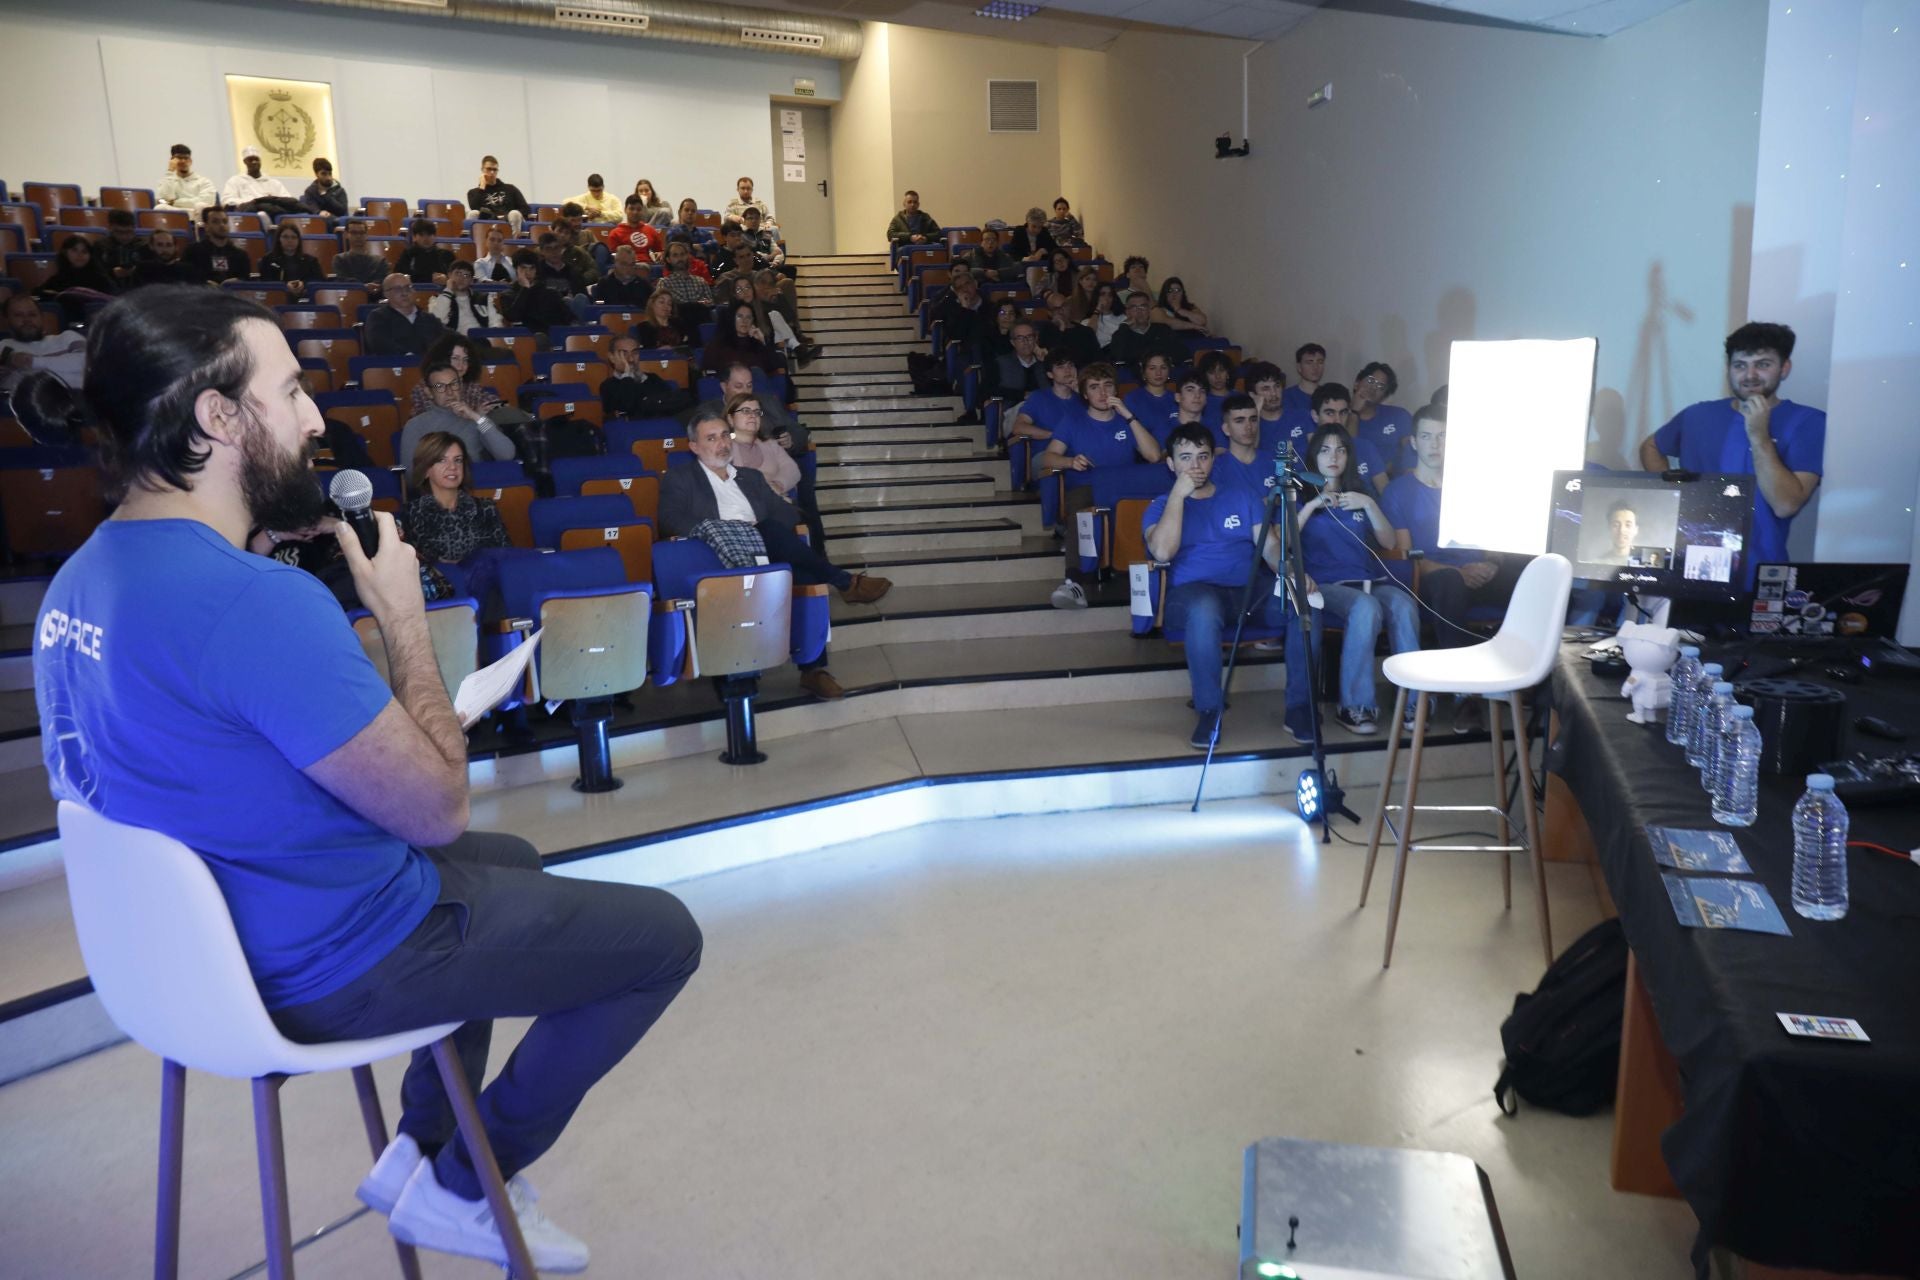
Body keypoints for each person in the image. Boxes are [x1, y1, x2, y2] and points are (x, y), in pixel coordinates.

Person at [21, 285, 699, 1273]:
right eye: (289, 391)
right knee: (661, 939)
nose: (313, 418)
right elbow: (434, 806)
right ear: (218, 418)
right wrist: (405, 623)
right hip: (319, 963)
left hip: (178, 960)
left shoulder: (82, 575)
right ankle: (469, 1175)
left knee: (507, 859)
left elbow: (179, 745)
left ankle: (420, 1148)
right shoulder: (259, 604)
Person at [659, 407, 891, 700]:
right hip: (716, 558)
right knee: (787, 552)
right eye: (712, 438)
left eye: (725, 435)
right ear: (694, 446)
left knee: (798, 568)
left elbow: (787, 514)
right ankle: (844, 584)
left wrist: (755, 529)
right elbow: (670, 519)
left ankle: (813, 671)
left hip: (764, 548)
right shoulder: (681, 478)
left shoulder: (751, 477)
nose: (723, 443)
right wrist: (723, 529)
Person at [1143, 423, 1291, 750]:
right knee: (1205, 606)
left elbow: (1268, 548)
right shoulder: (1159, 505)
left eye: (1203, 456)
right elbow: (1163, 552)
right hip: (1190, 597)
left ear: (1213, 460)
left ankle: (1299, 707)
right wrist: (1179, 497)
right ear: (1171, 464)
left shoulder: (1241, 495)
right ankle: (1209, 710)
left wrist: (1288, 573)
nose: (1195, 466)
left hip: (1246, 592)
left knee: (1299, 601)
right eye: (1185, 457)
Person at [1638, 321, 1823, 580]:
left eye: (1763, 364)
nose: (1750, 375)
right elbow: (1651, 446)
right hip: (1689, 569)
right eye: (1740, 365)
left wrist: (1759, 435)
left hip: (1759, 574)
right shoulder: (1698, 415)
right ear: (1729, 370)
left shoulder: (1808, 422)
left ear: (1784, 368)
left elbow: (1785, 505)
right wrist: (1673, 495)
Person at [1378, 402, 1516, 734]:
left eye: (1442, 436)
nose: (1435, 444)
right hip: (1431, 577)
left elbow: (1495, 539)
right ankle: (1465, 696)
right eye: (1426, 436)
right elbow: (1407, 554)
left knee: (1533, 574)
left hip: (1480, 569)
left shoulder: (1472, 485)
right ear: (1413, 443)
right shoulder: (1399, 491)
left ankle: (1531, 682)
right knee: (1450, 583)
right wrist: (1458, 572)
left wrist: (1493, 563)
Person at [1294, 423, 1421, 734]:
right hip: (1325, 586)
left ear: (1349, 455)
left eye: (1340, 449)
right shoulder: (1299, 494)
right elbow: (1282, 541)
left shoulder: (1361, 492)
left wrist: (1369, 504)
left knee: (1404, 603)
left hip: (1367, 580)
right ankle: (1354, 707)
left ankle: (1414, 703)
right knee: (1365, 607)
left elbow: (1390, 543)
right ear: (1314, 457)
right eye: (1325, 450)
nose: (1333, 456)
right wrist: (1312, 506)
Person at [1042, 362, 1161, 610]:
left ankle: (1152, 583)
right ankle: (1074, 582)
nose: (1103, 393)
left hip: (1124, 488)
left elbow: (1153, 455)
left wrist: (1128, 415)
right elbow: (1049, 457)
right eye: (1094, 387)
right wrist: (1070, 461)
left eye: (1108, 386)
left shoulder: (1127, 421)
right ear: (1085, 394)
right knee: (1079, 510)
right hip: (1088, 487)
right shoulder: (1072, 421)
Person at [404, 432, 512, 568]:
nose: (452, 467)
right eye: (442, 460)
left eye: (458, 460)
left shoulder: (486, 509)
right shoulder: (411, 513)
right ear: (426, 469)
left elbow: (505, 557)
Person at [400, 359, 518, 465]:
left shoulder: (476, 421)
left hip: (474, 486)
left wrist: (477, 417)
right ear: (429, 392)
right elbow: (411, 476)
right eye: (440, 386)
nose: (450, 392)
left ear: (461, 385)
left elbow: (507, 455)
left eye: (454, 384)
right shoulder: (415, 425)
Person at [1, 292, 86, 398]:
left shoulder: (68, 337)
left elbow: (85, 362)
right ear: (7, 320)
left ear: (41, 317)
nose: (27, 320)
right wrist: (67, 366)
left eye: (32, 314)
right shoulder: (3, 347)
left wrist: (31, 362)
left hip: (77, 402)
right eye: (18, 315)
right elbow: (23, 384)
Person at [724, 390, 800, 496]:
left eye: (757, 412)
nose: (753, 415)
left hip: (776, 501)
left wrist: (778, 485)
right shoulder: (723, 447)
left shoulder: (771, 444)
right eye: (746, 411)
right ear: (730, 419)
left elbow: (792, 469)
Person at [602, 333, 692, 419]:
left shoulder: (653, 379)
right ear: (612, 357)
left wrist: (645, 403)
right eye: (624, 354)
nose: (631, 359)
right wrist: (627, 375)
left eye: (635, 353)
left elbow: (674, 403)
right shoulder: (608, 386)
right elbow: (626, 406)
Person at [411, 334, 501, 419]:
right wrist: (472, 415)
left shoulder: (470, 385)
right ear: (442, 359)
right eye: (455, 358)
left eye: (465, 360)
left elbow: (500, 403)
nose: (461, 366)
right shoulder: (425, 387)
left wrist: (477, 413)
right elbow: (427, 420)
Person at [1210, 393, 1279, 502]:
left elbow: (1291, 504)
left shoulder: (1275, 461)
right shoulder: (1216, 469)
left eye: (1253, 420)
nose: (1248, 427)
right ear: (1226, 429)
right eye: (1239, 421)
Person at [1349, 362, 1412, 476]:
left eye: (1381, 387)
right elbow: (1349, 453)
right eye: (1370, 381)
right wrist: (1354, 412)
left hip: (1393, 482)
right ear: (1356, 383)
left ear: (1384, 396)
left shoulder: (1399, 416)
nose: (1373, 388)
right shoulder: (1338, 415)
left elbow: (1412, 451)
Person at [364, 274, 447, 357]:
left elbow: (449, 339)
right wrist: (409, 358)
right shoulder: (378, 317)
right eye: (397, 289)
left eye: (408, 288)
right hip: (394, 367)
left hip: (431, 367)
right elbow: (380, 344)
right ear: (386, 294)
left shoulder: (429, 319)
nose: (404, 293)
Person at [1009, 351, 1081, 445]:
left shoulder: (1084, 398)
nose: (1068, 370)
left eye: (1071, 365)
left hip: (1080, 452)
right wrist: (1056, 436)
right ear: (1050, 374)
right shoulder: (1038, 398)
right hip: (1045, 451)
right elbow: (1019, 427)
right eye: (1060, 367)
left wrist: (1082, 392)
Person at [500, 251, 573, 338]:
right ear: (516, 269)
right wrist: (525, 289)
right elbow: (513, 317)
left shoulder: (550, 293)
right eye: (523, 268)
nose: (528, 272)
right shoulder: (508, 295)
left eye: (531, 268)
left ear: (536, 270)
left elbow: (568, 318)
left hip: (551, 338)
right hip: (524, 340)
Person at [1107, 290, 1183, 371]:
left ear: (1149, 310)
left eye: (1143, 306)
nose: (1139, 311)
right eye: (1134, 307)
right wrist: (1124, 326)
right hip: (1133, 378)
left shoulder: (1163, 329)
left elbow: (1180, 354)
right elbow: (1118, 358)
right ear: (1127, 312)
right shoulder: (1121, 334)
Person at [221, 146, 306, 217]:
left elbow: (287, 199)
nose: (254, 162)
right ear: (245, 162)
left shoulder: (273, 183)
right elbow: (227, 201)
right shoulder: (235, 181)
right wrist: (251, 202)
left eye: (256, 159)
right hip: (248, 216)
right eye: (250, 160)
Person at [426, 261, 501, 336]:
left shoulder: (483, 298)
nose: (461, 278)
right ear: (449, 275)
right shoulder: (437, 299)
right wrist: (448, 291)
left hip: (481, 341)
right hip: (454, 342)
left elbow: (495, 322)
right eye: (458, 273)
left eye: (466, 275)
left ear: (471, 281)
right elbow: (437, 322)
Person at [701, 299, 776, 374]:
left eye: (748, 317)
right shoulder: (719, 344)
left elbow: (772, 368)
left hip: (758, 383)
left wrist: (762, 342)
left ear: (753, 321)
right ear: (731, 319)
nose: (744, 321)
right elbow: (708, 368)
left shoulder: (757, 343)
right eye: (739, 316)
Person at [183, 208, 254, 285]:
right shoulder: (193, 252)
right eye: (215, 222)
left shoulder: (241, 255)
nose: (222, 225)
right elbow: (186, 280)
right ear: (206, 226)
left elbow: (246, 282)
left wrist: (236, 282)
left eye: (225, 221)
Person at [657, 240, 716, 330]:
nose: (680, 258)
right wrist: (696, 305)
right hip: (677, 327)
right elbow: (665, 309)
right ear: (668, 259)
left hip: (700, 324)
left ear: (688, 256)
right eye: (675, 255)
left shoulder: (700, 281)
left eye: (682, 254)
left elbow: (710, 304)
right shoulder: (665, 283)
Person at [1123, 352, 1181, 444]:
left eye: (1163, 367)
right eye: (1152, 368)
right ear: (1144, 372)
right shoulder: (1132, 399)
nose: (1158, 373)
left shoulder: (1177, 398)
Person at [258, 223, 322, 301]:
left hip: (305, 298)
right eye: (285, 237)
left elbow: (319, 282)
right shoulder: (268, 259)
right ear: (279, 239)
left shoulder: (311, 261)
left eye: (294, 237)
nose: (290, 240)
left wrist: (304, 285)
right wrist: (284, 286)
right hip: (277, 299)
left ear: (299, 240)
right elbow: (266, 282)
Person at [467, 155, 529, 232]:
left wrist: (508, 215)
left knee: (515, 214)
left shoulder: (510, 189)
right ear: (482, 170)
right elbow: (474, 207)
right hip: (487, 222)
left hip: (508, 220)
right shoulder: (473, 192)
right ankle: (477, 242)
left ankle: (514, 242)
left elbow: (525, 209)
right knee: (473, 213)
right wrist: (482, 187)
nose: (492, 172)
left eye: (495, 169)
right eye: (489, 169)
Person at [94, 210, 151, 293]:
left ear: (134, 228)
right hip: (108, 291)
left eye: (128, 232)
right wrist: (112, 273)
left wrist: (136, 271)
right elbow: (96, 274)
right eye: (119, 232)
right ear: (110, 228)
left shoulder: (143, 246)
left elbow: (151, 273)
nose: (124, 237)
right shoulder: (101, 246)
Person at [1004, 208, 1058, 294]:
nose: (1037, 230)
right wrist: (1025, 259)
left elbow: (1055, 249)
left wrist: (1042, 251)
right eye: (1033, 226)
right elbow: (1013, 252)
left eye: (1039, 227)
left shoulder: (1044, 232)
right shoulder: (1019, 231)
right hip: (1023, 267)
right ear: (1027, 222)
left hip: (1041, 268)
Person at [990, 321, 1046, 401]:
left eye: (1029, 337)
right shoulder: (1000, 363)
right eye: (1020, 338)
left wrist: (1046, 362)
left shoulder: (1044, 362)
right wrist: (1022, 395)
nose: (1026, 342)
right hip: (1014, 409)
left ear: (1035, 339)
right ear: (1013, 342)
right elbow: (989, 391)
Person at [156, 143, 217, 217]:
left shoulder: (204, 182)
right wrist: (170, 171)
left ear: (190, 161)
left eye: (186, 158)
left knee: (201, 206)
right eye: (179, 158)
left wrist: (175, 202)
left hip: (195, 214)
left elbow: (207, 201)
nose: (183, 161)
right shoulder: (167, 181)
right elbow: (163, 200)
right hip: (175, 214)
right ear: (172, 161)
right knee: (160, 207)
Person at [131, 229, 199, 289]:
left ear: (175, 247)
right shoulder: (142, 270)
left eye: (169, 245)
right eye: (160, 245)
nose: (165, 250)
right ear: (151, 246)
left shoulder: (188, 270)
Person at [395, 218, 454, 285]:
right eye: (421, 235)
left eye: (429, 235)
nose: (426, 238)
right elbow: (399, 277)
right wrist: (429, 278)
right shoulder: (408, 255)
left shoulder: (446, 255)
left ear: (434, 236)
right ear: (414, 237)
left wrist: (446, 279)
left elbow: (455, 277)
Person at [332, 219, 390, 287]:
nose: (358, 236)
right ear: (346, 235)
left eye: (362, 233)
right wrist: (364, 287)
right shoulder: (339, 259)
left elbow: (383, 282)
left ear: (366, 235)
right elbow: (342, 281)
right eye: (354, 233)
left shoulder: (380, 261)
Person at [607, 195, 665, 260]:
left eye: (638, 209)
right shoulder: (615, 233)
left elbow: (660, 251)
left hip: (648, 267)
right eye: (631, 209)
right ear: (625, 210)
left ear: (642, 211)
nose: (635, 212)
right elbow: (613, 258)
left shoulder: (650, 230)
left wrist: (660, 254)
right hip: (626, 267)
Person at [737, 207, 789, 278]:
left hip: (770, 265)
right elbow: (753, 255)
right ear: (744, 221)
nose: (754, 221)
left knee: (790, 270)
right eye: (750, 218)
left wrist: (776, 262)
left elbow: (779, 252)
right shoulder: (742, 234)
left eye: (756, 218)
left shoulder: (766, 234)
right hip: (754, 266)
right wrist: (769, 256)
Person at [1592, 499, 1640, 566]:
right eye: (1616, 525)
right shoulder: (1596, 563)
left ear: (1636, 530)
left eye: (1628, 525)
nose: (1622, 530)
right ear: (1609, 528)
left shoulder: (1643, 564)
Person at [1283, 343, 1325, 417]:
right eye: (1309, 362)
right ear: (1299, 367)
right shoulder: (1286, 397)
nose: (1315, 367)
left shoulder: (1328, 394)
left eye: (1320, 362)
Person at [301, 157, 349, 221]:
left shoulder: (340, 190)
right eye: (324, 174)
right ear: (316, 174)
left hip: (337, 222)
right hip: (319, 222)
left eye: (330, 173)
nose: (328, 178)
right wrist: (319, 212)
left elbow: (342, 211)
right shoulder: (310, 191)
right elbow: (312, 208)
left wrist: (326, 196)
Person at [1083, 282, 1125, 348]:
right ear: (1096, 297)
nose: (1106, 298)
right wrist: (1097, 310)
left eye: (1110, 295)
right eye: (1102, 294)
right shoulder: (1086, 321)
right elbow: (1089, 335)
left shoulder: (1122, 317)